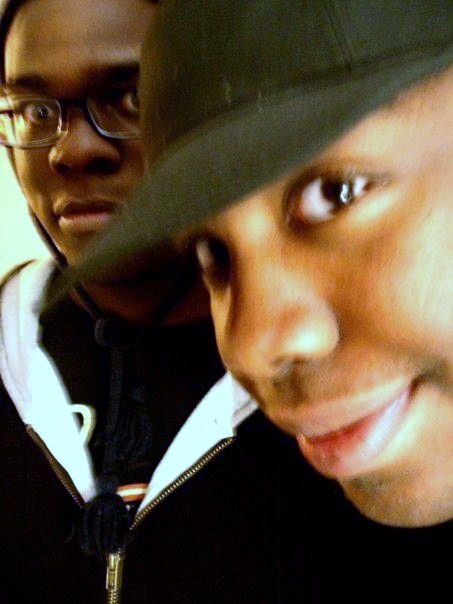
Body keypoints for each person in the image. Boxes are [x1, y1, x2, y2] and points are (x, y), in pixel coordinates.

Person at [2, 2, 417, 604]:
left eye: (134, 99)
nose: (72, 152)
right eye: (37, 111)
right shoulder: (12, 347)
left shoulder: (361, 389)